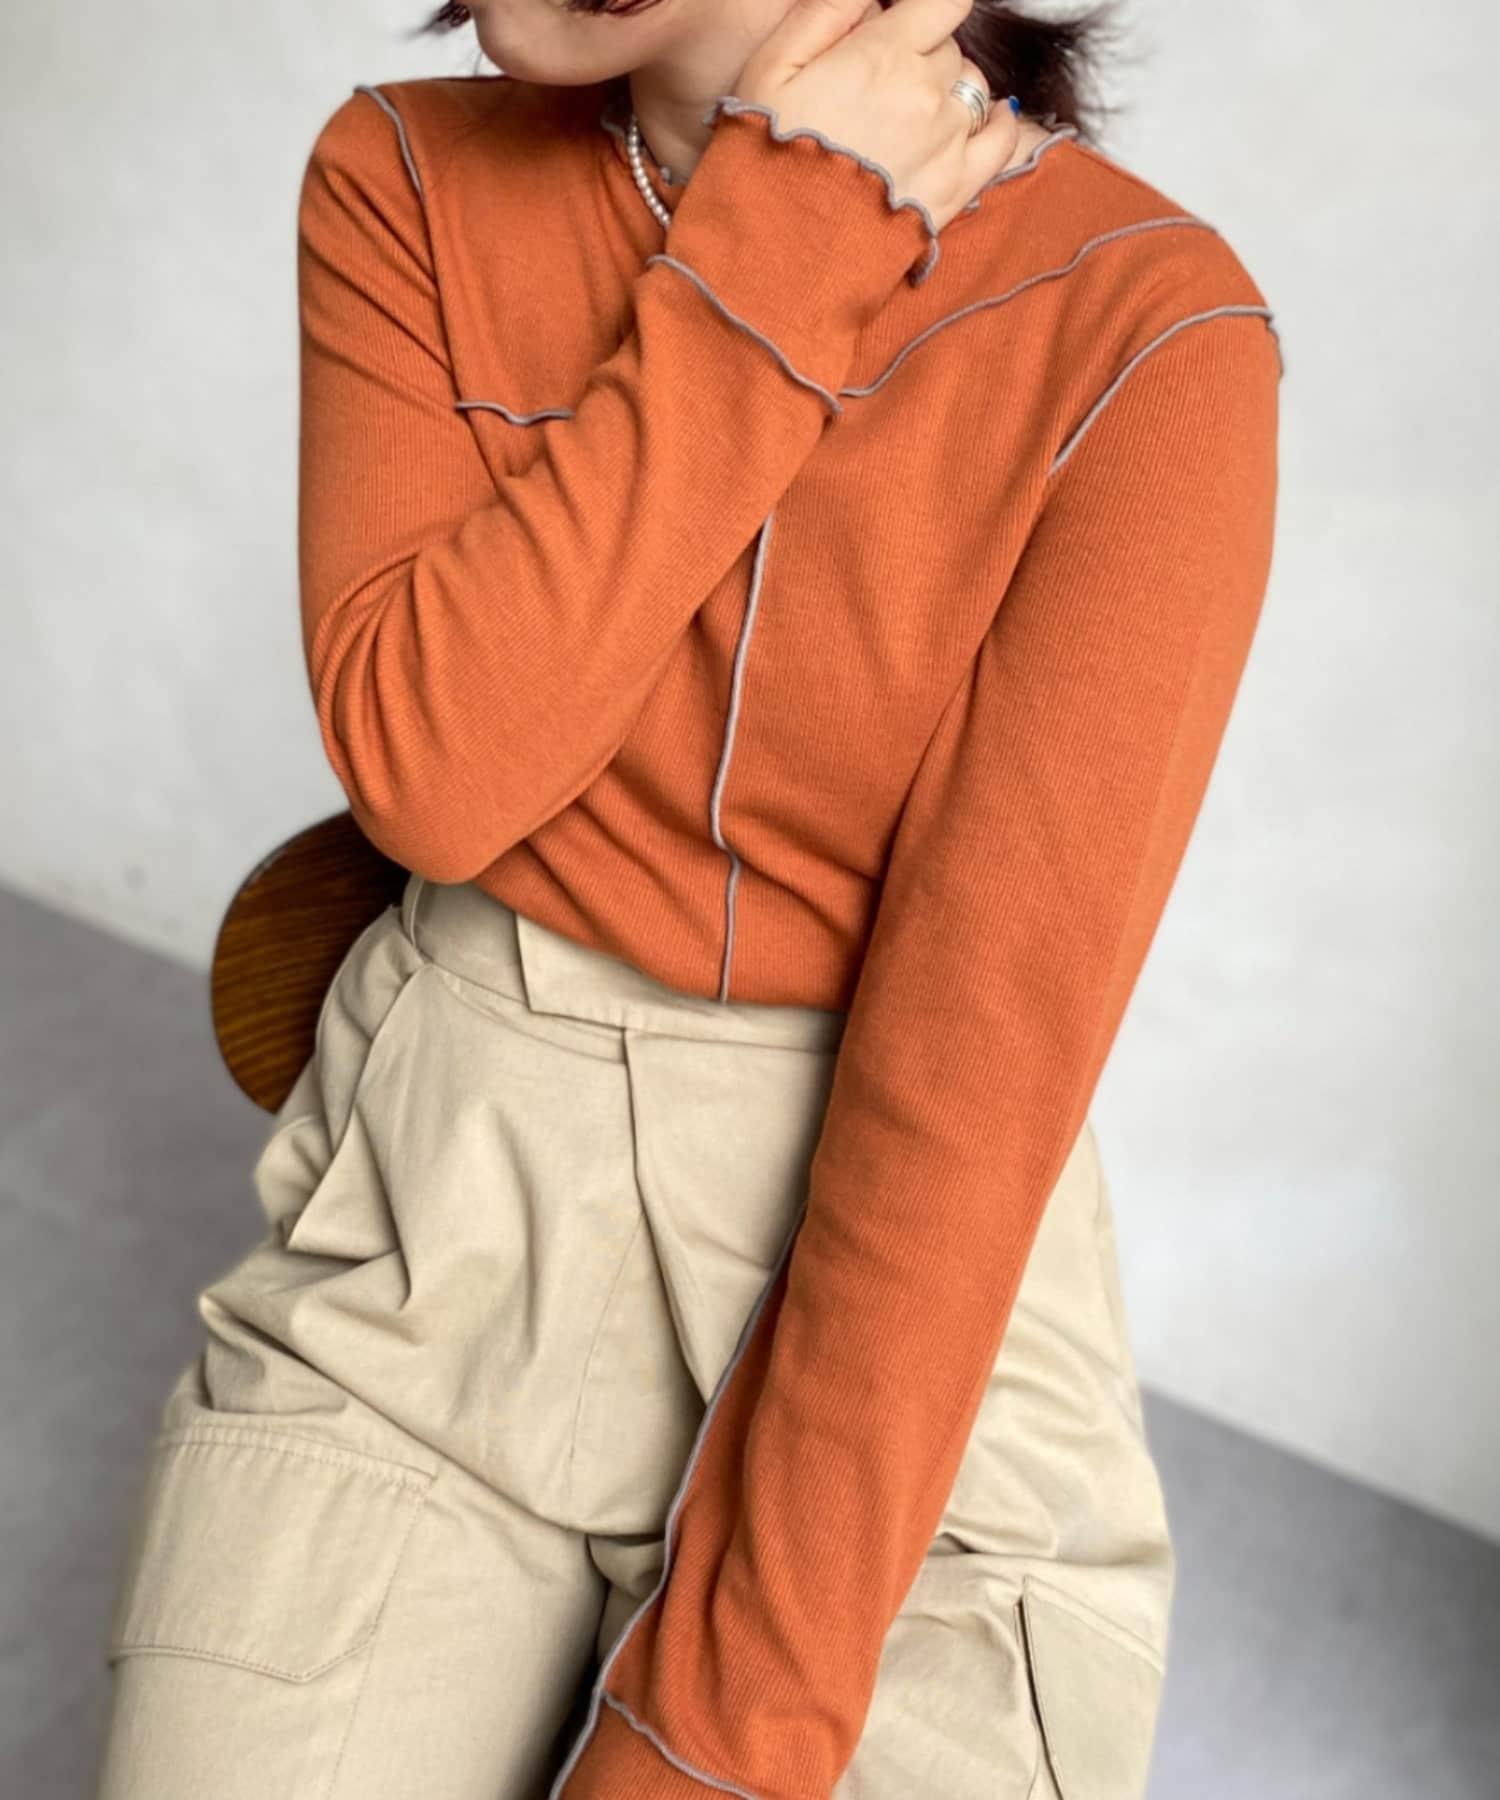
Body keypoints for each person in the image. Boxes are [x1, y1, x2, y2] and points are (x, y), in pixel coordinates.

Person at [93, 0, 1282, 1794]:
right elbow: (438, 775)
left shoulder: (1151, 330)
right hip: (434, 1239)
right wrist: (774, 251)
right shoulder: (403, 176)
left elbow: (972, 1081)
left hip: (909, 1355)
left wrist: (711, 1742)